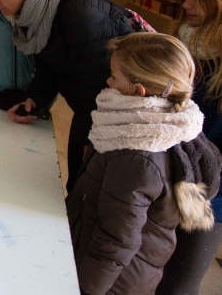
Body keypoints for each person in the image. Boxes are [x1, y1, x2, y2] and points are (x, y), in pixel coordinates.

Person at [67, 33, 221, 295]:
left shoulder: (135, 155)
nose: (108, 80)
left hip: (112, 284)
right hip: (119, 273)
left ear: (137, 91)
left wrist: (84, 290)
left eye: (114, 76)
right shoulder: (159, 127)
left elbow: (116, 241)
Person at [0, 0, 134, 191]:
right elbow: (50, 66)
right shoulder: (40, 13)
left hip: (113, 126)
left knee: (86, 195)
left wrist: (86, 150)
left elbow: (97, 93)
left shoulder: (81, 13)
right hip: (91, 116)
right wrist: (33, 99)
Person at [157, 0, 222, 295]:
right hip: (165, 178)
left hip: (208, 195)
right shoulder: (181, 42)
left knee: (178, 285)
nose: (186, 3)